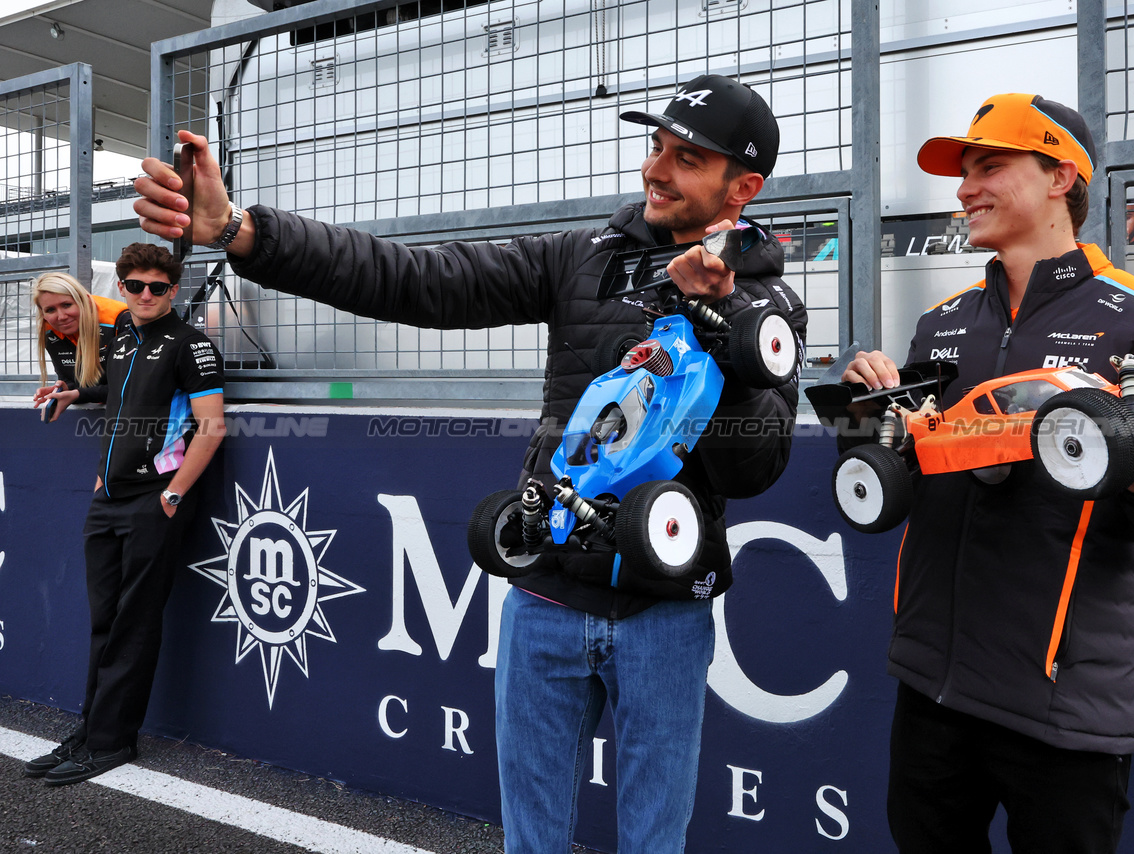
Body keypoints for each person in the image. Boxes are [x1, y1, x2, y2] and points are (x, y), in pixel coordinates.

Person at [133, 74, 805, 851]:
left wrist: (709, 323)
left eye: (686, 158)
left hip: (667, 620)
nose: (655, 169)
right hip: (544, 600)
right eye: (655, 146)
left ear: (742, 188)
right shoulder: (581, 258)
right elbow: (415, 281)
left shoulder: (770, 307)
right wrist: (242, 232)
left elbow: (756, 466)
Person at [841, 94, 1134, 852]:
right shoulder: (943, 322)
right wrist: (870, 421)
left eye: (989, 165)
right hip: (933, 688)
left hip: (1065, 710)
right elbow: (900, 485)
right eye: (963, 172)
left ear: (1060, 178)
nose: (964, 188)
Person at [23, 243, 226, 786]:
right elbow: (115, 392)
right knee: (103, 622)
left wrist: (175, 494)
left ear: (172, 290)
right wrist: (71, 393)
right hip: (107, 499)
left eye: (156, 287)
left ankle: (113, 742)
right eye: (133, 286)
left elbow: (212, 427)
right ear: (123, 289)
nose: (143, 295)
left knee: (133, 625)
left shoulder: (192, 344)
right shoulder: (120, 340)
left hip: (156, 500)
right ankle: (90, 730)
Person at [30, 272, 126, 422]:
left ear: (85, 301)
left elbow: (128, 386)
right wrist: (64, 389)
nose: (61, 316)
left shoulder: (121, 320)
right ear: (43, 314)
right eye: (50, 310)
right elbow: (71, 380)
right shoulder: (49, 331)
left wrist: (77, 394)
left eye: (67, 305)